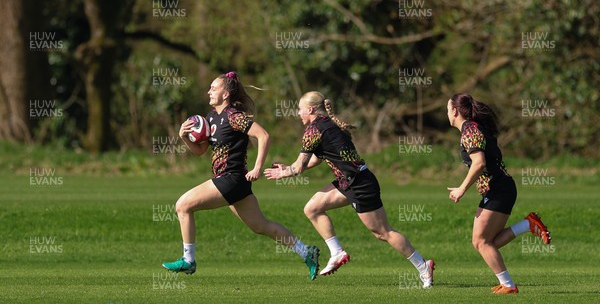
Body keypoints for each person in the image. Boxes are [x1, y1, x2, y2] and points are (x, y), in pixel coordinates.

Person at [264, 91, 434, 288]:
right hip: (350, 181)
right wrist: (288, 169)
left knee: (382, 233)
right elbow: (319, 158)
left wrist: (283, 173)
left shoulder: (313, 130)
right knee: (312, 208)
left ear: (310, 109)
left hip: (359, 185)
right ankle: (337, 253)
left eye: (300, 110)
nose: (298, 113)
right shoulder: (328, 125)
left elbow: (300, 166)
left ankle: (423, 266)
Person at [162, 72, 320, 280]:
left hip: (231, 179)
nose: (209, 91)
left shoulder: (234, 116)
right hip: (236, 184)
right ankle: (307, 252)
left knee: (182, 205)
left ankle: (188, 260)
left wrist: (256, 167)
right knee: (261, 226)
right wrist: (184, 136)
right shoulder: (211, 117)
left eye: (214, 88)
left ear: (225, 94)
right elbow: (200, 151)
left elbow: (264, 136)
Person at [446, 93, 552, 294]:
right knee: (486, 243)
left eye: (447, 109)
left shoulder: (470, 130)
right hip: (500, 189)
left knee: (481, 241)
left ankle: (509, 285)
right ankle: (528, 224)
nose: (447, 113)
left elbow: (479, 163)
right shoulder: (472, 128)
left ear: (455, 111)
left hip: (499, 189)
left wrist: (461, 189)